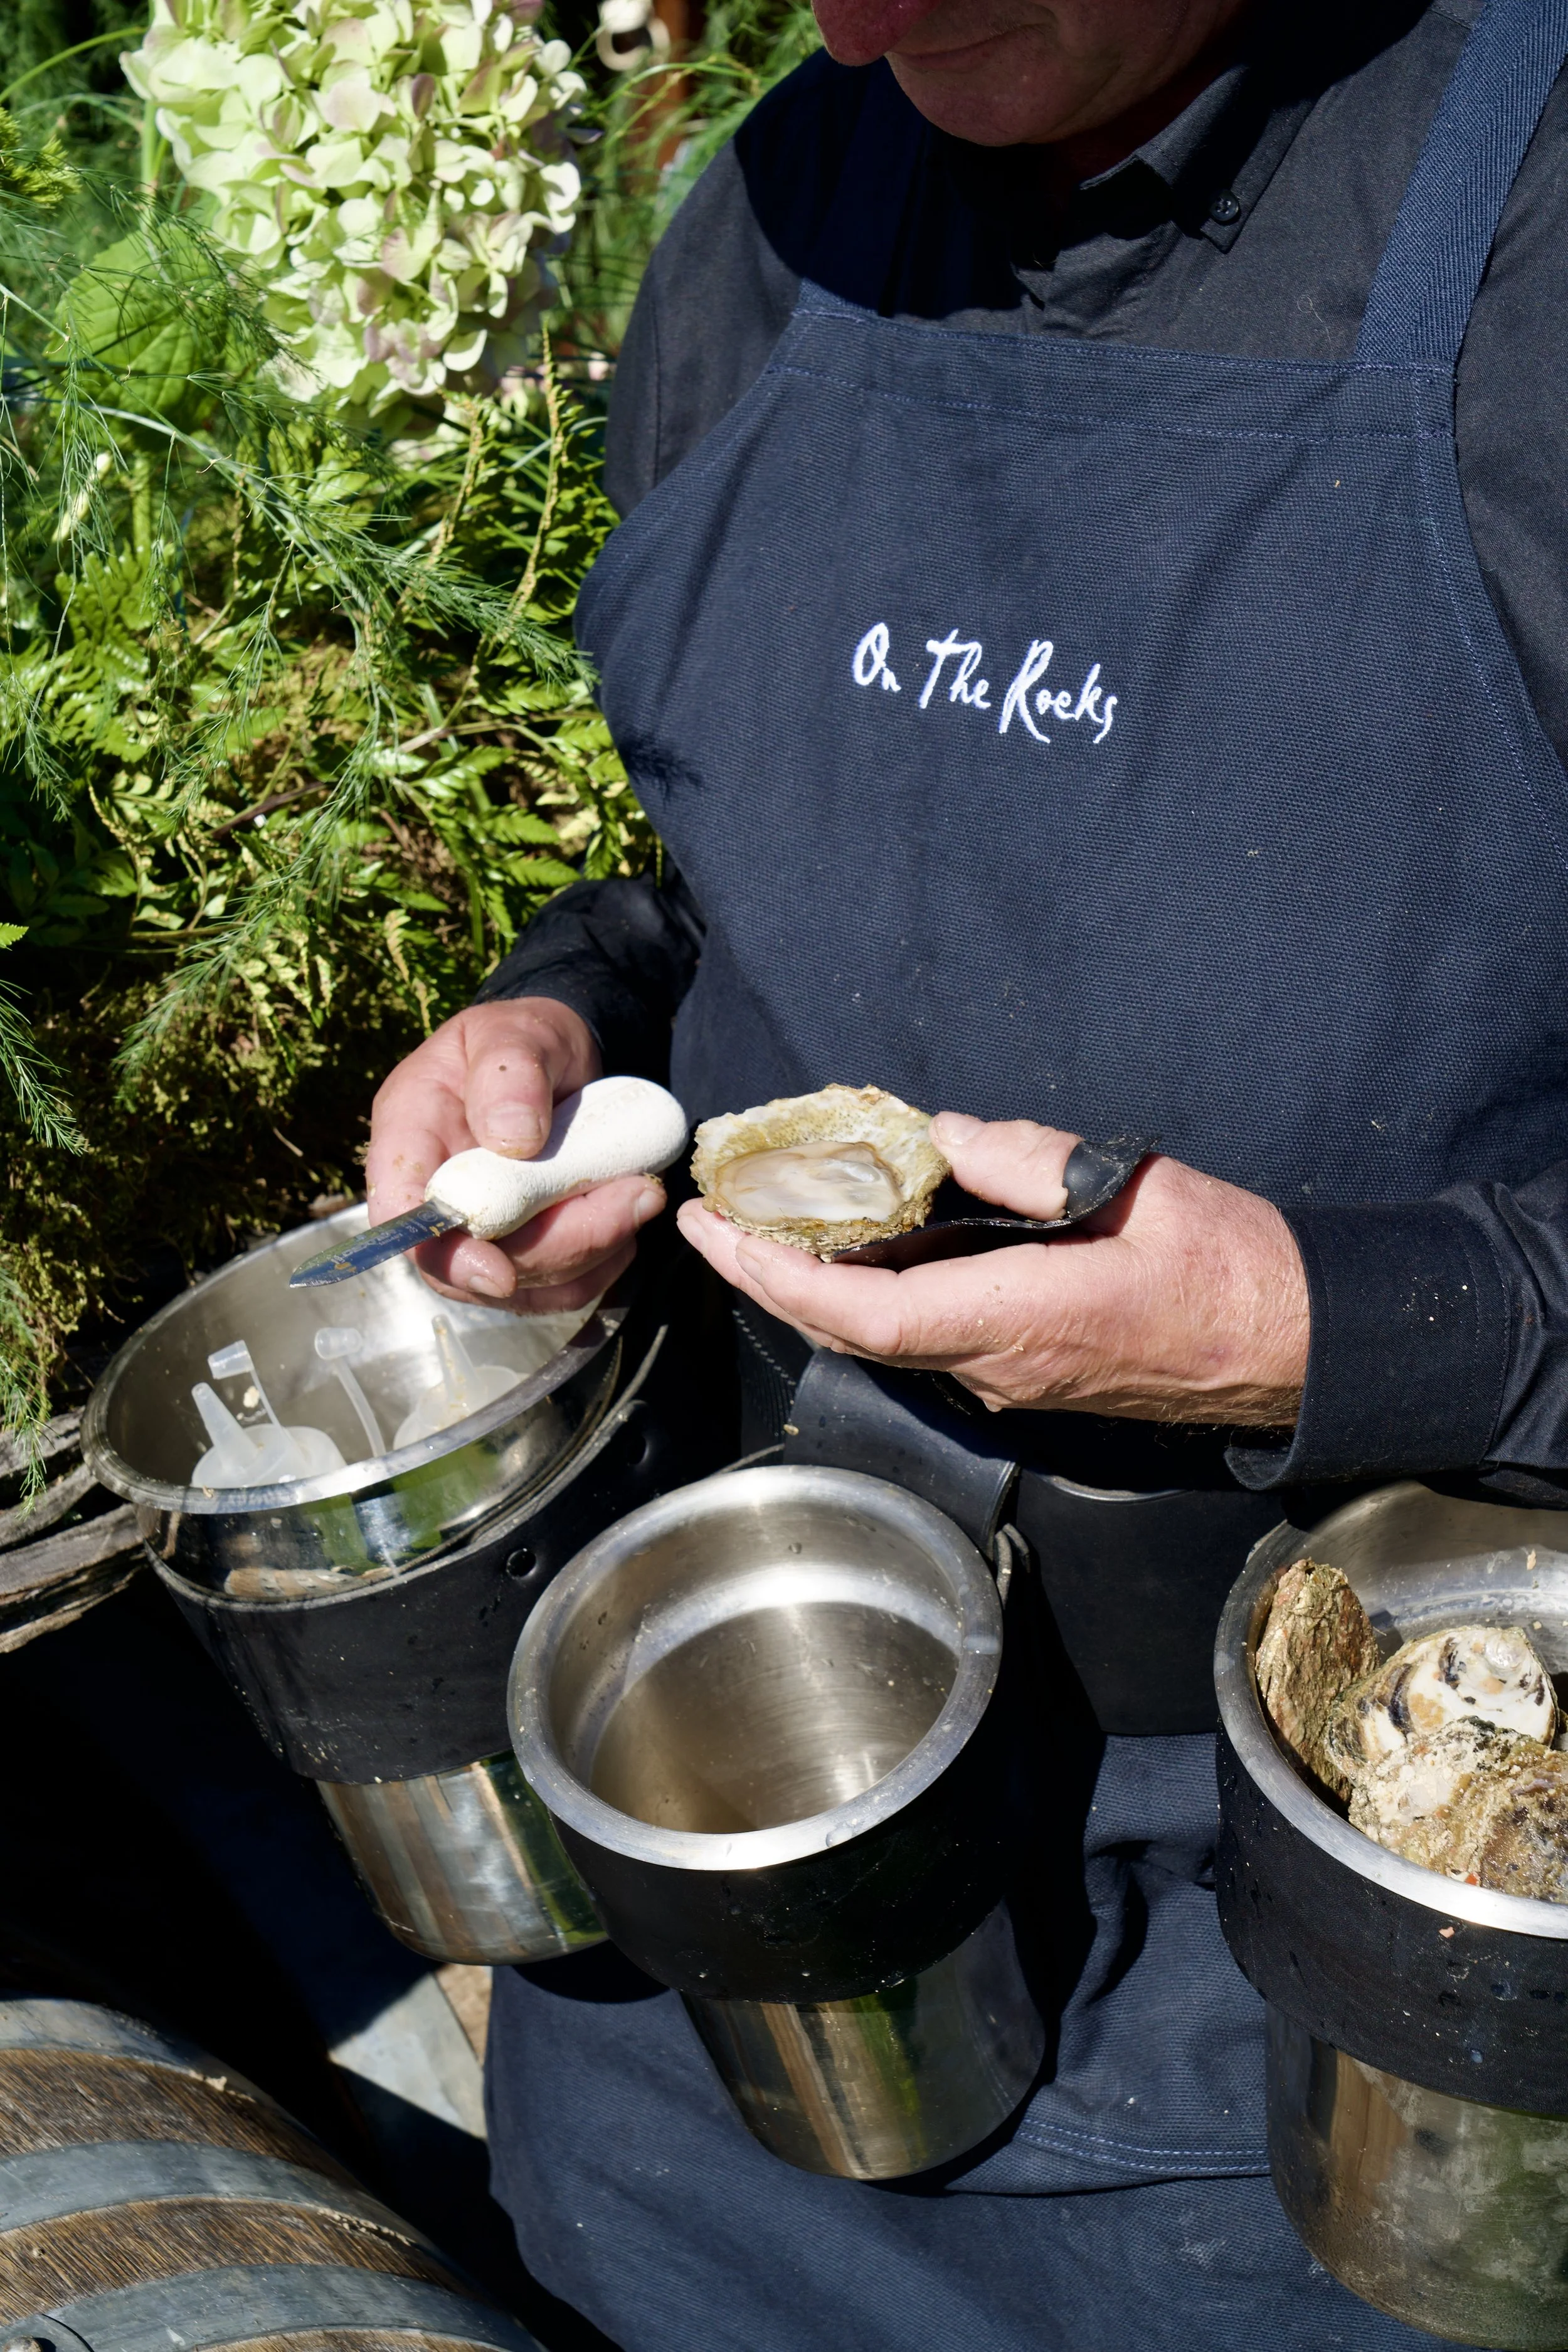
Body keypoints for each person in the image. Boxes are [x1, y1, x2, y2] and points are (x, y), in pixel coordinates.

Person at [366, 0, 1568, 2343]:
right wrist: (571, 1020)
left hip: (1380, 1973)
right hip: (726, 1869)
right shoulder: (766, 227)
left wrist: (1324, 1322)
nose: (849, 23)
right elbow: (738, 894)